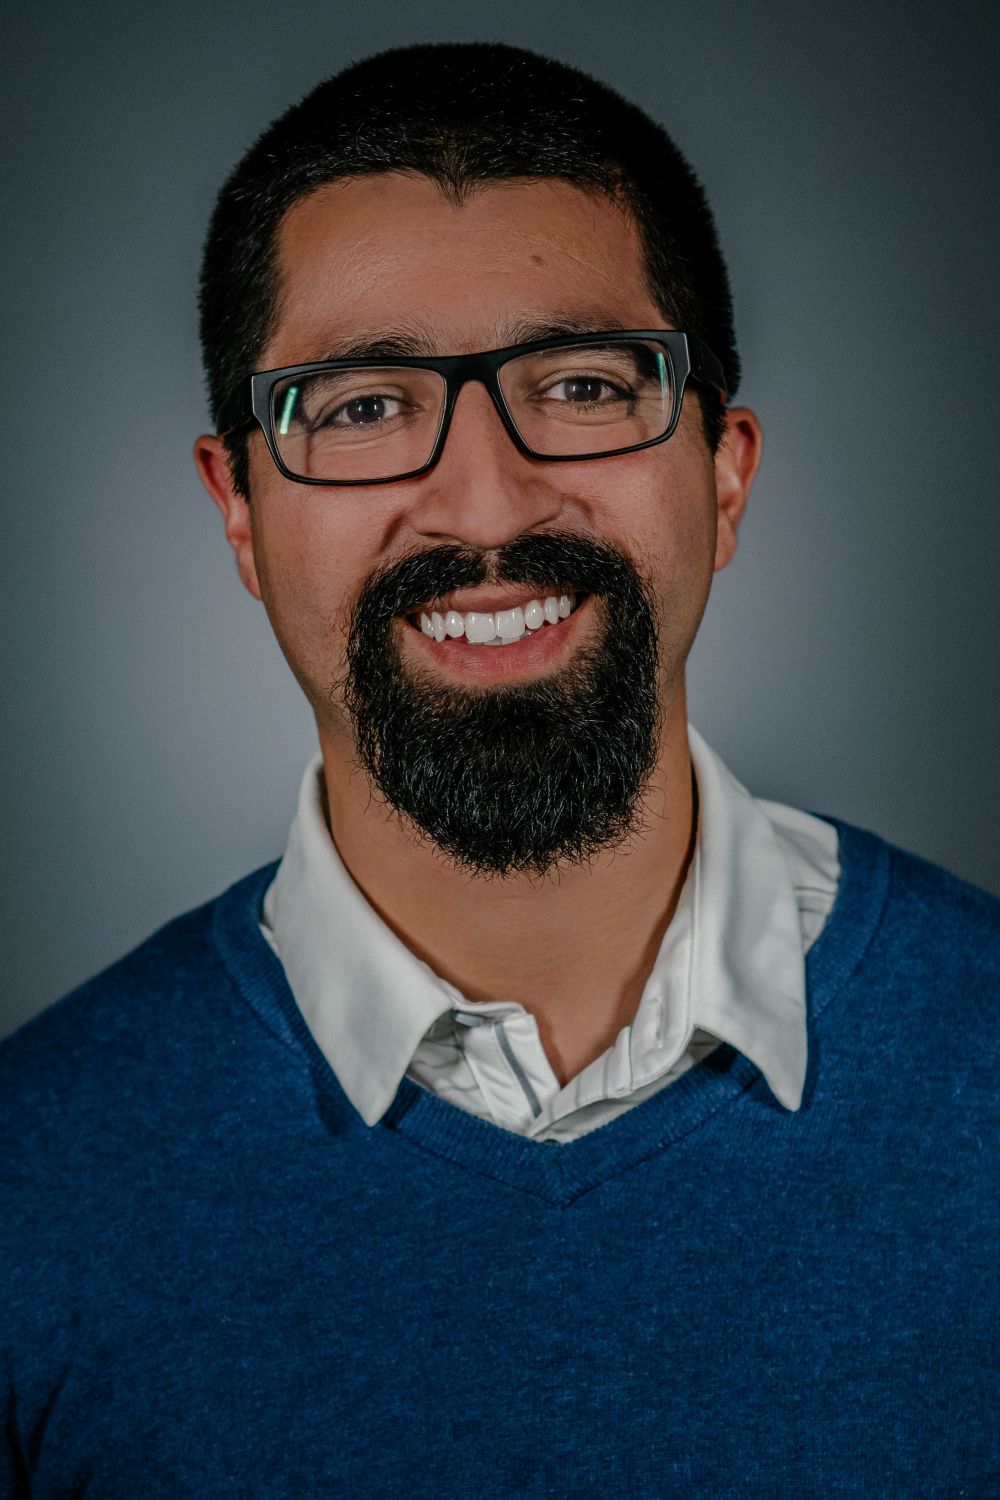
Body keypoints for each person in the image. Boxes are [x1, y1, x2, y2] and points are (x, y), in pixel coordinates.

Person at [2, 40, 997, 1497]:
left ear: (723, 474)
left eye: (586, 385)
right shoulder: (28, 1189)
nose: (483, 498)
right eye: (360, 407)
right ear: (238, 512)